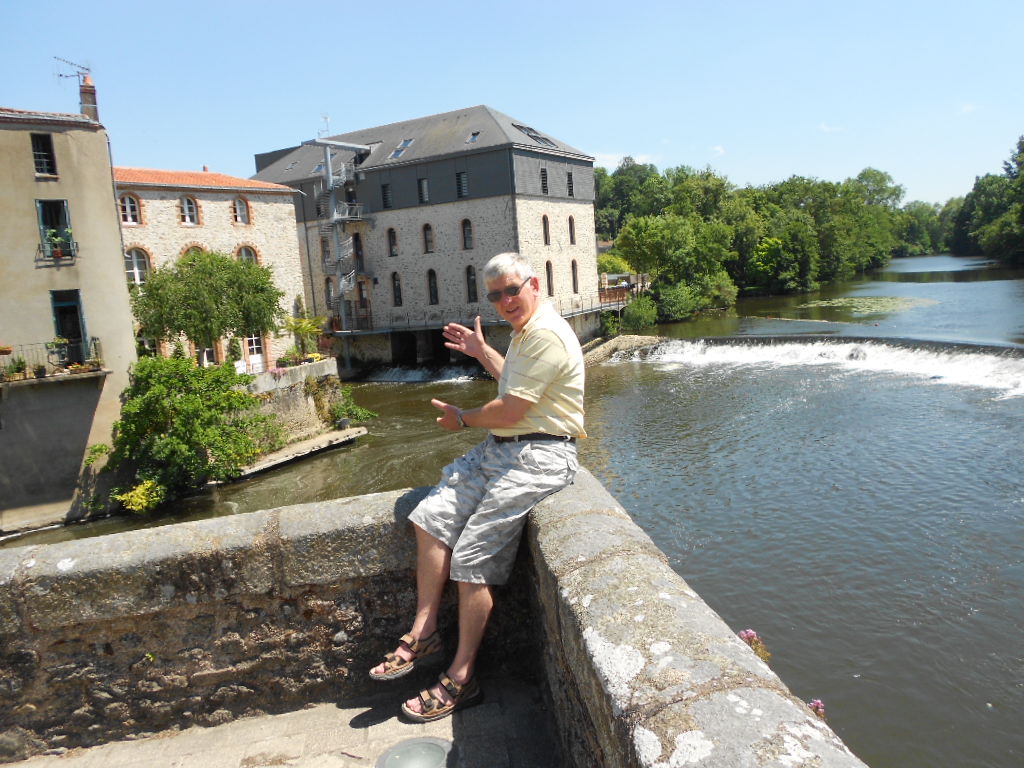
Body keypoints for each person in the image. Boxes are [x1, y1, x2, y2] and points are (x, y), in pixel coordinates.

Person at [369, 251, 586, 722]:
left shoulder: (546, 333)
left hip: (541, 456)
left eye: (512, 290)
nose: (505, 300)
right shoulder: (528, 329)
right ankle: (425, 631)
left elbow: (511, 410)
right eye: (495, 295)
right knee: (430, 516)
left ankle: (462, 676)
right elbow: (516, 383)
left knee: (471, 557)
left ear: (534, 284)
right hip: (503, 449)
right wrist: (480, 351)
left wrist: (462, 418)